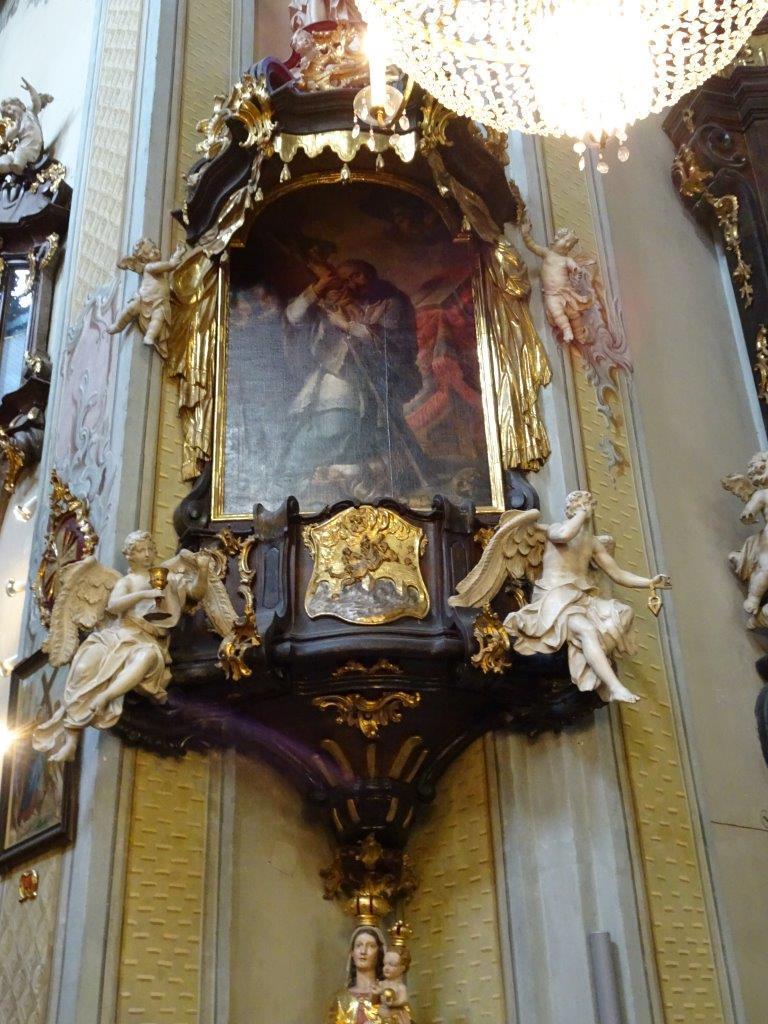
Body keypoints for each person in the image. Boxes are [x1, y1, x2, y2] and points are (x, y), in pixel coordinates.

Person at [32, 532, 198, 762]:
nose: (147, 554)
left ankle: (105, 697)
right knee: (85, 667)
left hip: (147, 640)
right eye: (141, 550)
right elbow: (113, 606)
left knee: (147, 658)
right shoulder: (127, 582)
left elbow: (195, 593)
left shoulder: (166, 577)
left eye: (150, 549)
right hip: (119, 635)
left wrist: (203, 571)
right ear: (130, 556)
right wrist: (144, 594)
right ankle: (71, 739)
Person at [283, 258, 428, 503]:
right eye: (345, 279)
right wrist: (318, 287)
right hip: (338, 376)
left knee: (375, 435)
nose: (352, 283)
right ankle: (298, 476)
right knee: (332, 425)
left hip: (376, 379)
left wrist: (347, 325)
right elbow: (293, 316)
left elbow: (388, 344)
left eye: (357, 275)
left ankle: (366, 482)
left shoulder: (390, 303)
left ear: (371, 275)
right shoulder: (332, 302)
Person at [506, 491, 671, 702]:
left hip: (582, 598)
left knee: (624, 612)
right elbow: (565, 535)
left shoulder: (593, 543)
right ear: (570, 510)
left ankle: (594, 659)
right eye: (579, 504)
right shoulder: (555, 529)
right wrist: (581, 515)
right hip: (555, 599)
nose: (585, 507)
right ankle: (615, 687)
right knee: (587, 630)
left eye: (588, 504)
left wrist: (650, 582)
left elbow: (618, 574)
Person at [328, 925, 386, 1024]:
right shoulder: (340, 999)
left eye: (371, 946)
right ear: (352, 953)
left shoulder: (389, 997)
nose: (363, 951)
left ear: (379, 953)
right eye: (359, 945)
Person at [374, 948, 411, 1024]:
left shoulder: (400, 987)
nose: (386, 968)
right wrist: (375, 993)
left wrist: (393, 1003)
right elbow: (373, 1001)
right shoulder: (381, 984)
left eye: (392, 965)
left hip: (395, 1020)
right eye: (385, 964)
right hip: (380, 1018)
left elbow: (403, 1000)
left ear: (402, 968)